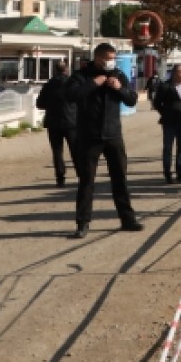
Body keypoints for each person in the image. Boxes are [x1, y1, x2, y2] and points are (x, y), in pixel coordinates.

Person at [65, 43, 143, 238]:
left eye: (113, 58)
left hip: (113, 135)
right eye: (108, 58)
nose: (111, 62)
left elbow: (132, 99)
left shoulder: (118, 75)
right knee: (86, 181)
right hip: (89, 136)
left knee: (120, 179)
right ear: (98, 58)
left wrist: (119, 88)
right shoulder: (81, 76)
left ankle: (128, 219)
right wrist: (94, 83)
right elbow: (71, 96)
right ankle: (82, 223)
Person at [37, 61, 78, 187]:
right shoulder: (73, 83)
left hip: (53, 122)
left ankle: (60, 177)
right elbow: (81, 100)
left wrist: (52, 105)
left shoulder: (48, 85)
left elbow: (40, 104)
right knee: (75, 150)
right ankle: (82, 174)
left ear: (55, 70)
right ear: (67, 70)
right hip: (71, 121)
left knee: (57, 151)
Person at [152, 64, 181, 184]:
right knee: (168, 148)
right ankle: (168, 174)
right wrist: (166, 112)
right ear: (174, 73)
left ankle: (180, 173)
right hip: (169, 122)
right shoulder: (165, 86)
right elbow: (157, 103)